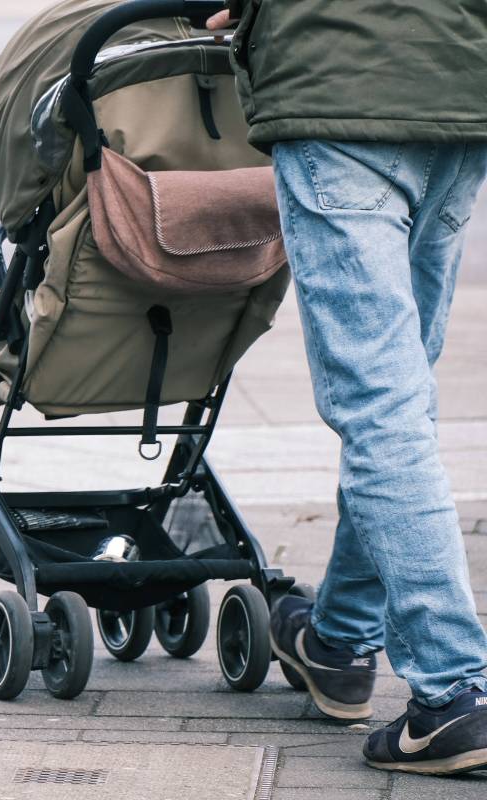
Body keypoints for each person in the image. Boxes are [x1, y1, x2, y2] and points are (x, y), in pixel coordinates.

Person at [208, 1, 487, 776]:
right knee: (401, 396)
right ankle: (338, 642)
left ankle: (454, 690)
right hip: (458, 90)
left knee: (381, 410)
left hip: (337, 89)